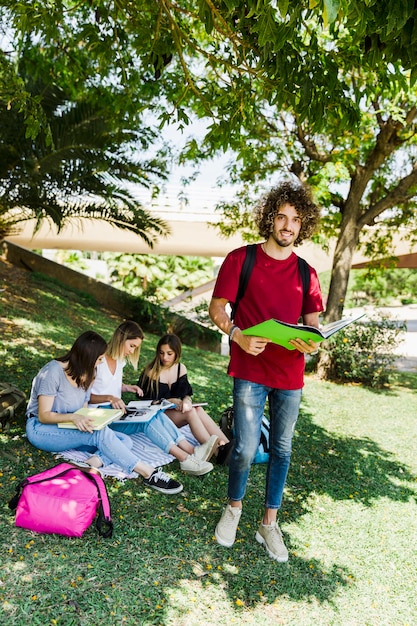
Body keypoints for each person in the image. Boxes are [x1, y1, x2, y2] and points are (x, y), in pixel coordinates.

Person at [208, 181, 323, 562]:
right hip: (250, 370)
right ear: (270, 218)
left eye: (296, 220)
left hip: (289, 376)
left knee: (283, 450)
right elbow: (217, 309)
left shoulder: (308, 273)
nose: (288, 225)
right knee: (242, 448)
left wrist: (312, 343)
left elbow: (313, 327)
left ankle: (268, 524)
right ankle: (234, 509)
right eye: (282, 217)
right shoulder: (241, 259)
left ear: (302, 226)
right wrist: (236, 335)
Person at [25, 330, 183, 495]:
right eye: (99, 359)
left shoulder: (88, 373)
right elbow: (44, 415)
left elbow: (83, 409)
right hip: (40, 428)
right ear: (88, 356)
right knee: (99, 435)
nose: (100, 364)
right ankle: (148, 473)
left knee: (124, 440)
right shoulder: (53, 371)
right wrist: (74, 417)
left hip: (67, 427)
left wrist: (93, 418)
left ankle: (89, 464)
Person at [89, 321, 215, 476]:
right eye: (132, 346)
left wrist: (127, 387)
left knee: (152, 413)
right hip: (100, 415)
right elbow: (86, 396)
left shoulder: (119, 360)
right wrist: (110, 398)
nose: (133, 350)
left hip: (115, 411)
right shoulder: (98, 361)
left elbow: (107, 383)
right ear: (121, 338)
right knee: (145, 420)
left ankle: (191, 451)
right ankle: (185, 459)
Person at [138, 333, 233, 464]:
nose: (164, 357)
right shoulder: (151, 371)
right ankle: (217, 452)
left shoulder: (180, 368)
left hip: (172, 413)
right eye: (161, 353)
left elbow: (185, 393)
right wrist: (170, 400)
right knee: (191, 412)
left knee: (197, 409)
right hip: (158, 418)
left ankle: (227, 445)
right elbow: (144, 403)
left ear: (177, 353)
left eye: (169, 353)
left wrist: (187, 400)